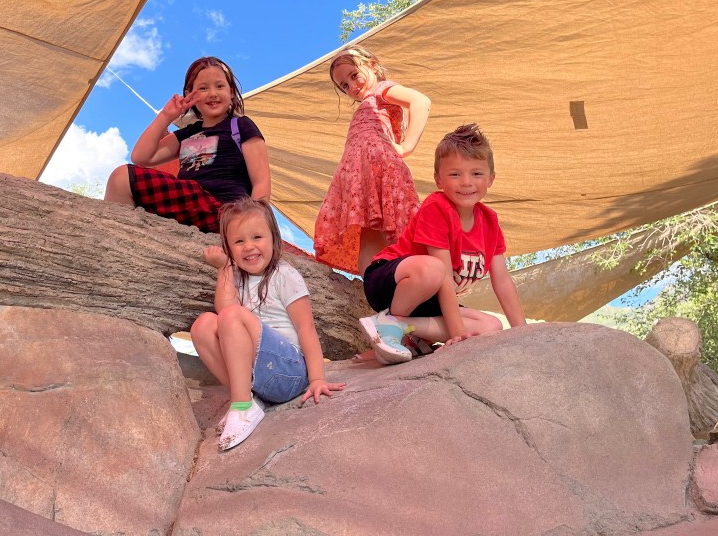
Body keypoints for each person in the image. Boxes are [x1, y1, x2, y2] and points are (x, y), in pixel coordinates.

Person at [357, 123, 527, 364]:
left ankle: (396, 328)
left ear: (491, 179)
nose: (466, 182)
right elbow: (443, 275)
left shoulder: (489, 221)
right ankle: (394, 328)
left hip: (430, 299)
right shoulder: (438, 207)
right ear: (438, 179)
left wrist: (523, 332)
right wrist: (458, 334)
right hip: (392, 282)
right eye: (455, 174)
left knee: (491, 325)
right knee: (434, 270)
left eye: (476, 173)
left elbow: (502, 280)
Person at [192, 198, 345, 451]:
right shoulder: (237, 277)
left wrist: (317, 378)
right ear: (229, 249)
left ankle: (240, 406)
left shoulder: (284, 275)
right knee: (204, 324)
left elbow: (306, 328)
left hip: (289, 372)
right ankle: (247, 401)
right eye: (239, 242)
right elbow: (224, 309)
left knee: (231, 315)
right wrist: (225, 269)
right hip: (259, 376)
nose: (249, 247)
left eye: (257, 237)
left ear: (274, 239)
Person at [104, 56, 270, 232]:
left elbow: (261, 181)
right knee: (120, 178)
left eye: (220, 86)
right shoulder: (187, 134)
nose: (212, 93)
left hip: (228, 211)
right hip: (188, 205)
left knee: (125, 176)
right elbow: (141, 157)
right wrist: (166, 116)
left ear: (231, 92)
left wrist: (253, 225)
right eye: (203, 88)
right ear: (190, 95)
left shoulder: (241, 125)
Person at [314, 46, 431, 276]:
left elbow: (420, 101)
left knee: (392, 233)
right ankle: (375, 288)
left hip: (379, 169)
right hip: (360, 175)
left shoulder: (381, 90)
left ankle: (401, 284)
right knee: (366, 229)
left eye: (354, 75)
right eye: (344, 86)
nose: (351, 86)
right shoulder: (368, 102)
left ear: (373, 66)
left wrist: (407, 146)